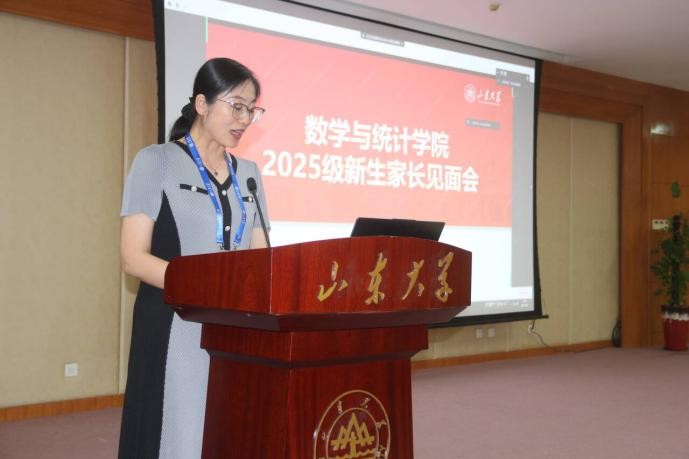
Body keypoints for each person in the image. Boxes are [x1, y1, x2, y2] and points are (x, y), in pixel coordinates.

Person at [118, 57, 270, 459]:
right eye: (236, 106)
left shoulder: (249, 173)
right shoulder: (156, 161)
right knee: (177, 436)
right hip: (173, 322)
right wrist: (207, 287)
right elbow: (133, 258)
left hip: (233, 328)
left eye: (251, 110)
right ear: (202, 104)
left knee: (224, 433)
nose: (244, 119)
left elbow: (261, 258)